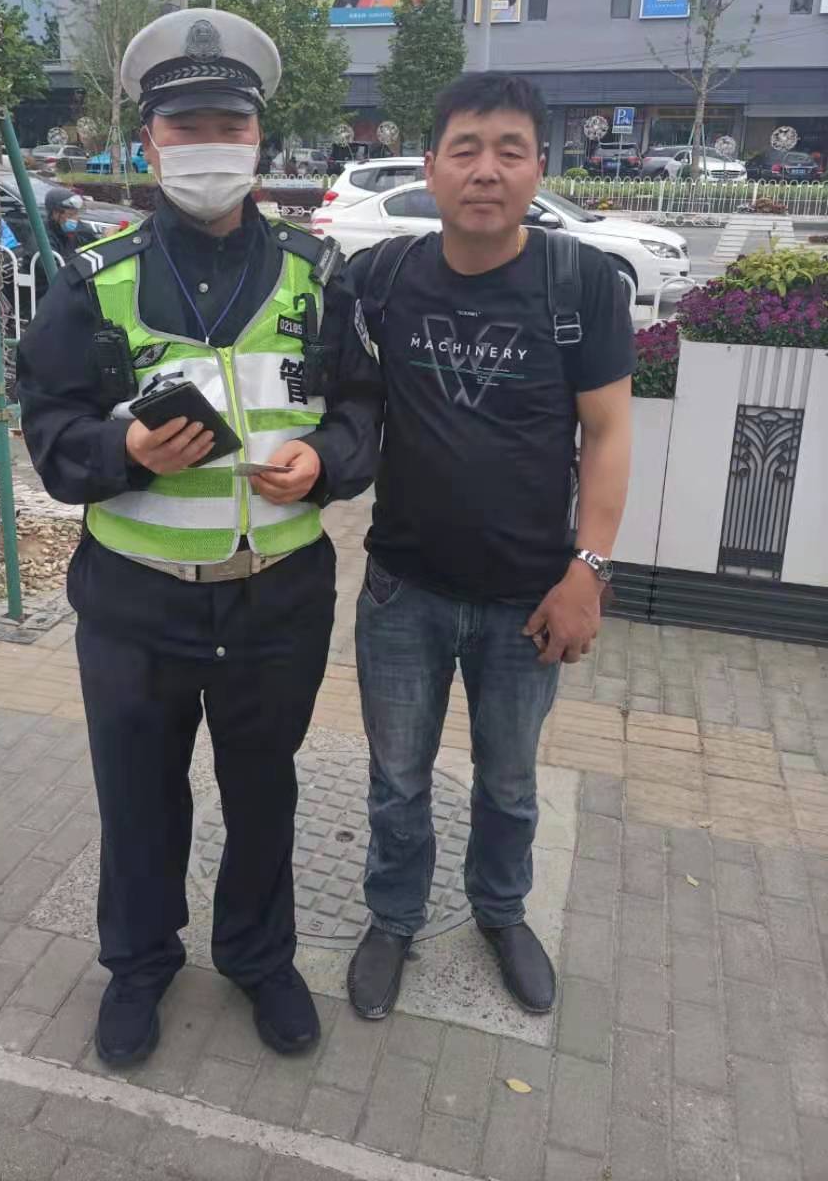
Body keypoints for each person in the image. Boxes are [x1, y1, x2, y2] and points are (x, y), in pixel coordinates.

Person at [16, 8, 380, 1068]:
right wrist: (126, 450)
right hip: (136, 601)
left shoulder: (319, 273)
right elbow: (49, 431)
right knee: (138, 797)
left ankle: (260, 959)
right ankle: (139, 965)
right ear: (149, 143)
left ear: (260, 139)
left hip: (278, 595)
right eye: (186, 128)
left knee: (265, 791)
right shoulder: (94, 279)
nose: (209, 145)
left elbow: (365, 410)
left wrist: (325, 461)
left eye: (229, 124)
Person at [346, 72, 633, 1020]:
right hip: (403, 593)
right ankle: (393, 919)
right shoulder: (384, 278)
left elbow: (608, 435)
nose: (486, 170)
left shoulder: (580, 283)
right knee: (397, 780)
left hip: (528, 599)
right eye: (465, 149)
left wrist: (587, 572)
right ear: (430, 167)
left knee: (508, 784)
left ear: (539, 168)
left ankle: (500, 914)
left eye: (510, 151)